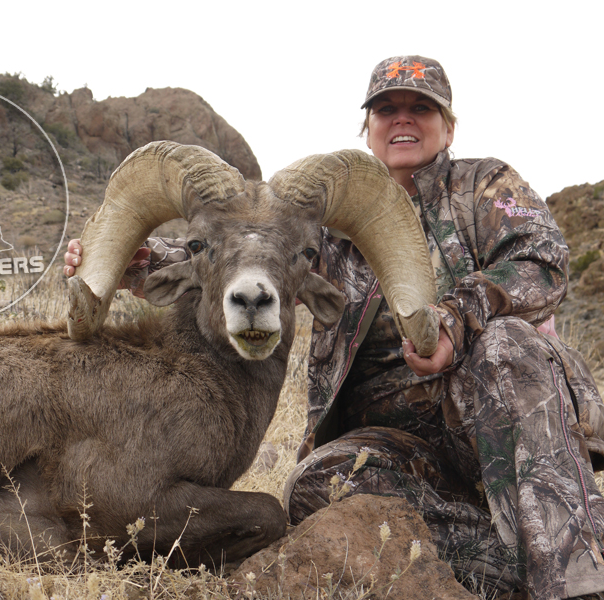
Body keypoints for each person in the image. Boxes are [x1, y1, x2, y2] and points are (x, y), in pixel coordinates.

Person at [65, 56, 604, 600]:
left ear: (449, 126)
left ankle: (577, 580)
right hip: (402, 444)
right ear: (366, 127)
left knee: (506, 345)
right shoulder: (325, 232)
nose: (403, 121)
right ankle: (522, 557)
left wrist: (454, 322)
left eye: (422, 108)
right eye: (386, 109)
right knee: (314, 488)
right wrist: (131, 263)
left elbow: (543, 260)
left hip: (495, 410)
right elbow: (251, 260)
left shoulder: (483, 188)